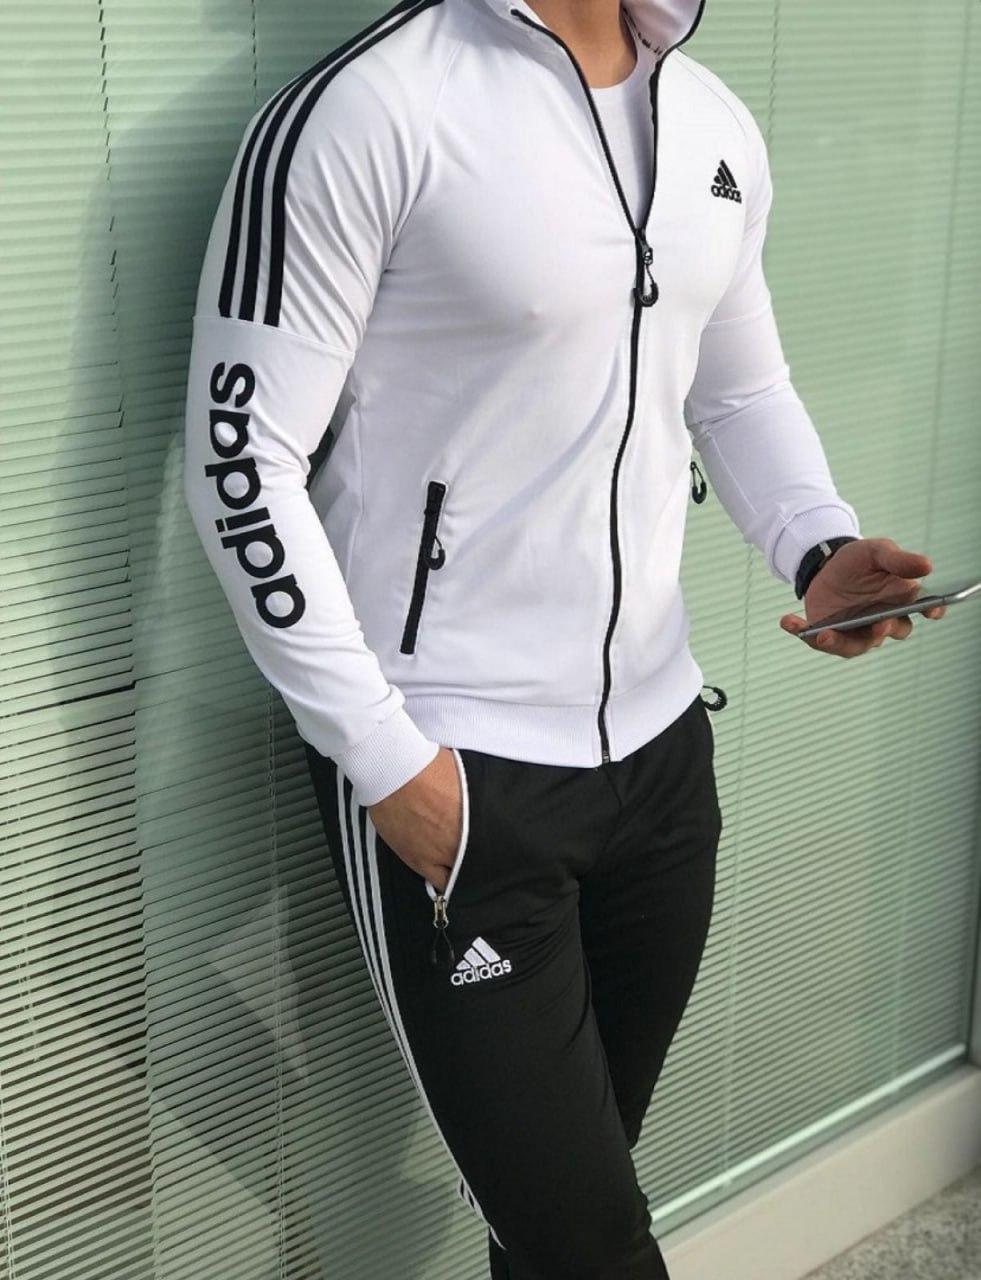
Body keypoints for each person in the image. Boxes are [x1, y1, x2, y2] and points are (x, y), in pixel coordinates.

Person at [182, 0, 946, 1274]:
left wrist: (818, 548)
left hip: (663, 769)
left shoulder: (711, 120)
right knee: (590, 1245)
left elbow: (737, 388)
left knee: (558, 1221)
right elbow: (239, 464)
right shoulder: (371, 109)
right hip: (457, 775)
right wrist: (390, 764)